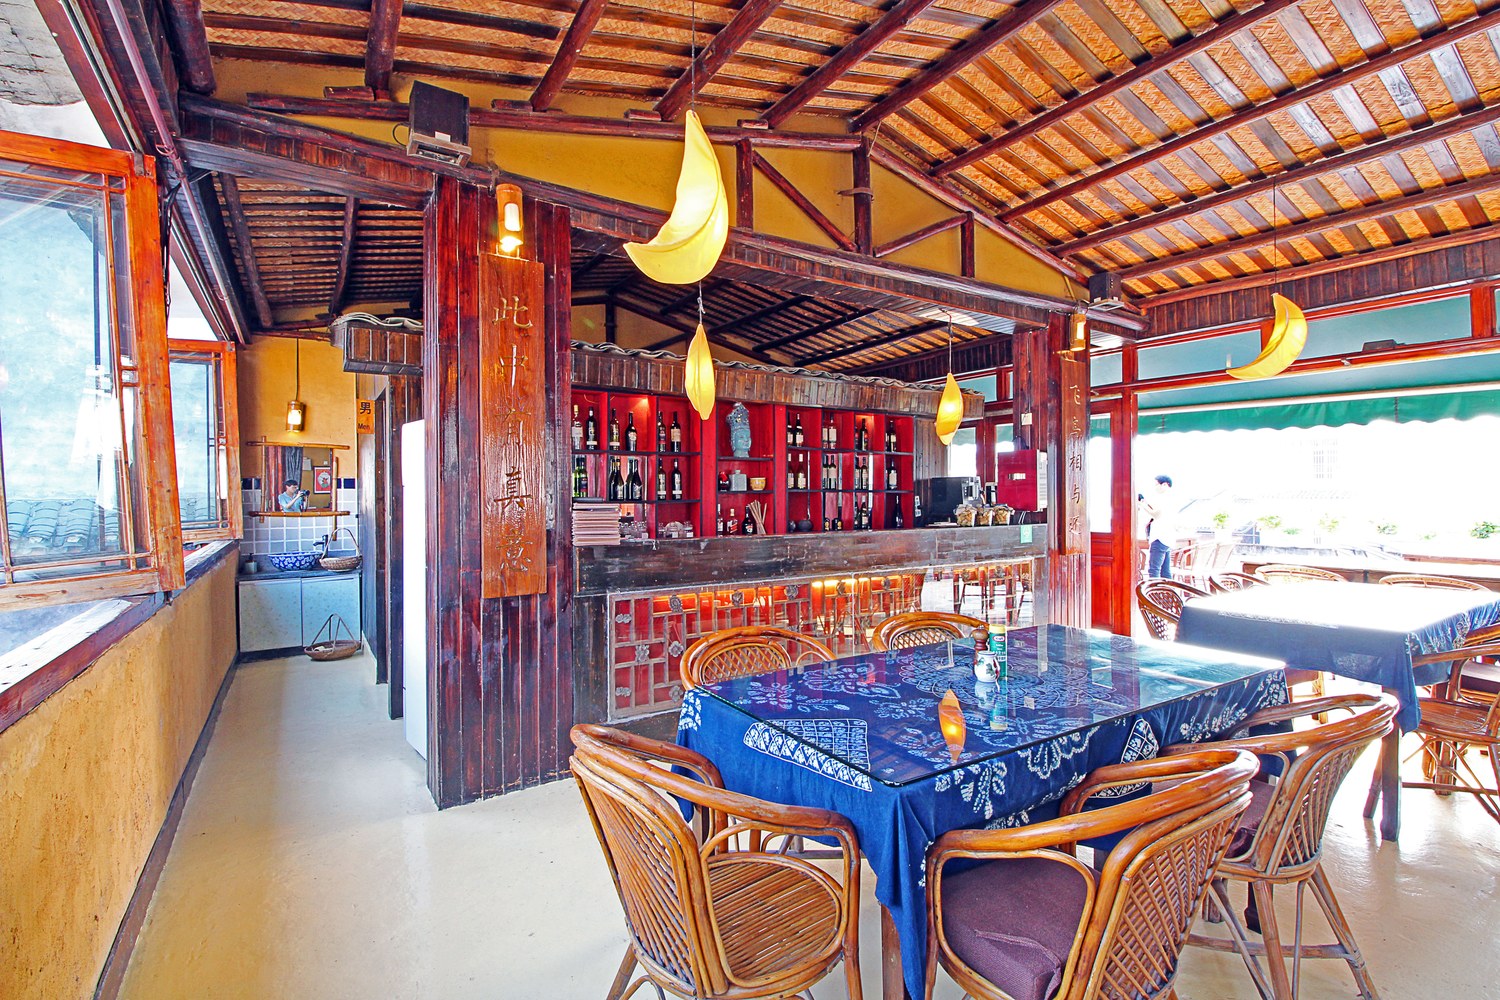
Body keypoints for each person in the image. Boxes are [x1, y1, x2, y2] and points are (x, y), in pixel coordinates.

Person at [1140, 474, 1178, 580]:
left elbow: (1156, 514)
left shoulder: (1165, 498)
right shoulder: (1172, 498)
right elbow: (1157, 512)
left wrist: (1142, 505)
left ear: (1164, 484)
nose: (1155, 487)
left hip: (1160, 537)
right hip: (1168, 537)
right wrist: (1145, 503)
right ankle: (1168, 590)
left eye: (1156, 485)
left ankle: (1155, 590)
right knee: (1165, 571)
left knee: (1154, 570)